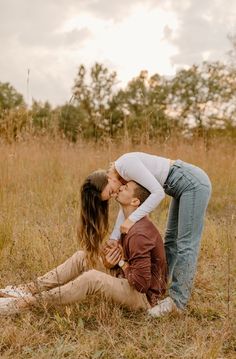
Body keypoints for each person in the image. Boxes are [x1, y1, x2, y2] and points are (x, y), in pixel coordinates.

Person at [0, 171, 167, 315]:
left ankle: (27, 302)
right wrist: (113, 262)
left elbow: (142, 284)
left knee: (92, 278)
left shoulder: (139, 234)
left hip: (143, 298)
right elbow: (130, 263)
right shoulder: (129, 222)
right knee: (83, 257)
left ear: (135, 202)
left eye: (127, 188)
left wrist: (121, 263)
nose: (121, 187)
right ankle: (27, 289)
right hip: (127, 279)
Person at [79, 152, 212, 316]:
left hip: (193, 184)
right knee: (170, 240)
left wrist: (133, 219)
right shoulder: (122, 177)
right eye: (111, 196)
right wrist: (114, 238)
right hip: (180, 188)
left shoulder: (125, 165)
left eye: (111, 191)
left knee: (186, 244)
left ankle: (178, 302)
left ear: (108, 178)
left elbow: (158, 193)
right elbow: (126, 208)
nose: (114, 195)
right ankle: (161, 288)